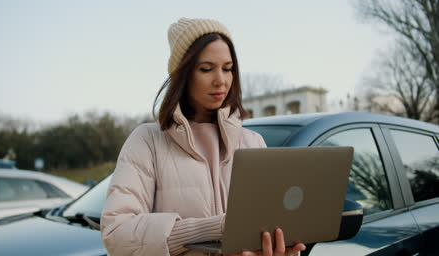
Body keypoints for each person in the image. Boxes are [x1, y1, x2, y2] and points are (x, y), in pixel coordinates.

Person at [100, 17, 306, 256]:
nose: (221, 80)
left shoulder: (253, 143)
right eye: (206, 69)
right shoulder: (147, 141)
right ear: (183, 74)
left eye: (228, 69)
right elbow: (117, 234)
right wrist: (213, 229)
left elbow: (271, 226)